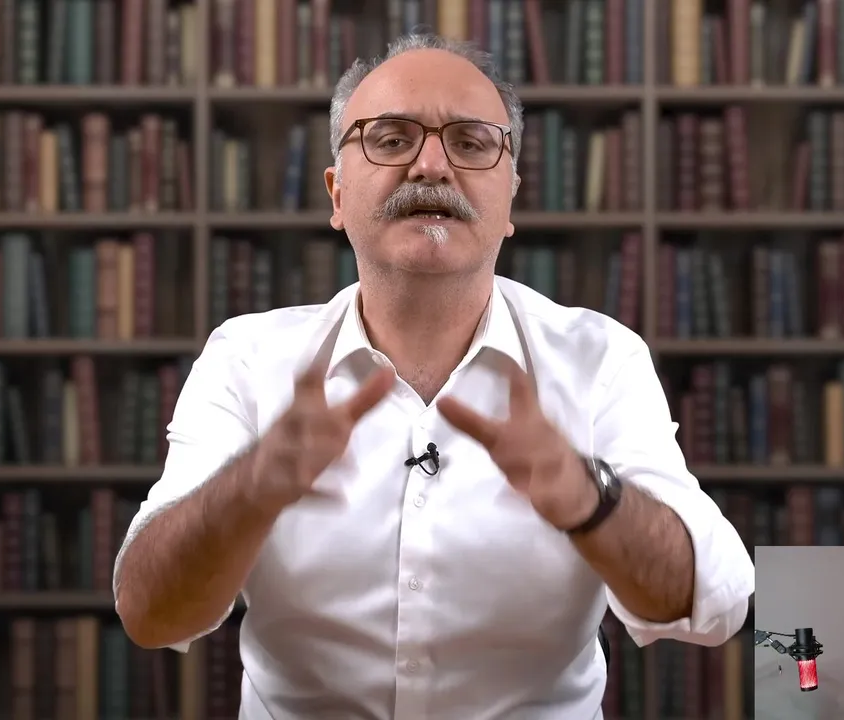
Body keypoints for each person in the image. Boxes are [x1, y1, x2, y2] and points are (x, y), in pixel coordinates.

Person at [112, 33, 754, 719]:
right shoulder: (246, 359)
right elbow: (150, 615)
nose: (431, 165)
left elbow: (714, 604)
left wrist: (588, 498)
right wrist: (252, 487)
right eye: (391, 139)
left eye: (472, 143)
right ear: (336, 193)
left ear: (510, 199)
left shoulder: (600, 361)